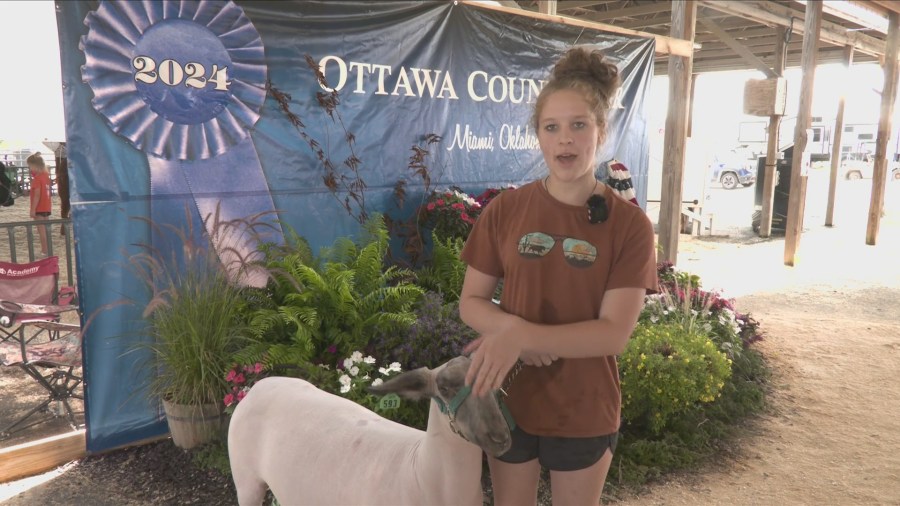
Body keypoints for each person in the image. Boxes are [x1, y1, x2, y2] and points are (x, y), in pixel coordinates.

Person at [459, 47, 658, 505]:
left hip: (585, 406)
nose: (564, 140)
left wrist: (525, 337)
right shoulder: (506, 209)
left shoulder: (629, 225)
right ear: (539, 136)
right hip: (508, 397)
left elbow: (613, 334)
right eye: (551, 128)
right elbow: (470, 302)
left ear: (602, 132)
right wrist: (512, 335)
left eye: (578, 125)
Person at [27, 152, 52, 257]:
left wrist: (33, 210)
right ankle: (48, 249)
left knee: (41, 230)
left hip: (39, 208)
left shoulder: (37, 180)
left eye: (30, 167)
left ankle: (45, 250)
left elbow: (37, 195)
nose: (29, 169)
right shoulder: (46, 176)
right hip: (47, 206)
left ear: (35, 166)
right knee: (47, 230)